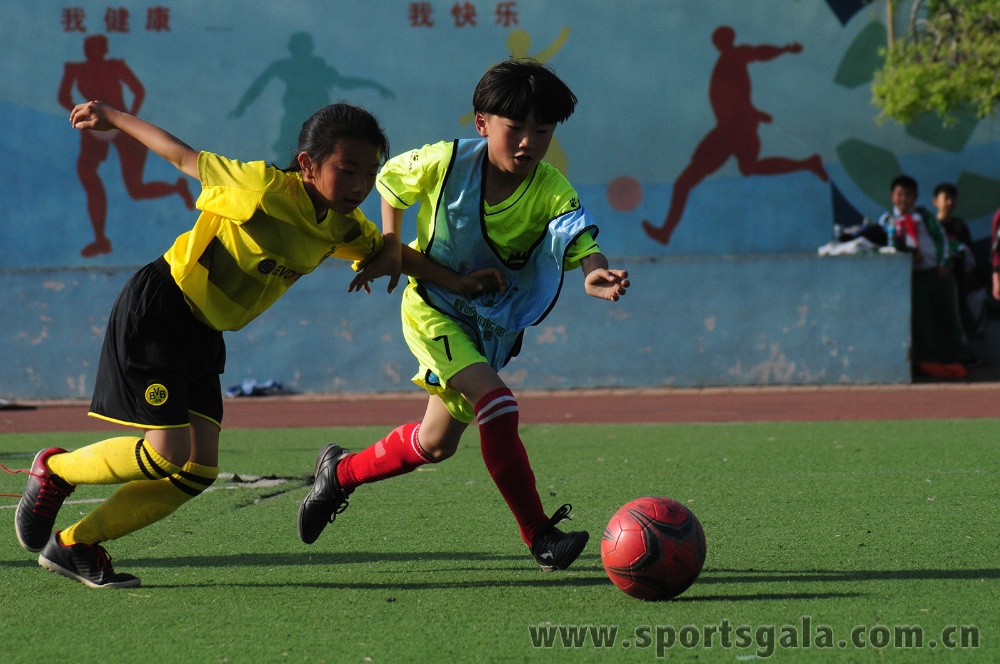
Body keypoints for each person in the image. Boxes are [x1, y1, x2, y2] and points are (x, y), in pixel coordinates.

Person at [15, 101, 493, 588]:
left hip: (205, 333)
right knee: (166, 454)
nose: (359, 186)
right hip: (160, 310)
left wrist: (458, 282)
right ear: (307, 164)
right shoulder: (260, 187)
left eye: (370, 174)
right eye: (347, 170)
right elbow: (182, 157)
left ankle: (75, 544)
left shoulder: (343, 226)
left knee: (197, 470)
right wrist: (114, 118)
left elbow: (395, 256)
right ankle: (54, 470)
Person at [298, 59, 630, 573]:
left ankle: (339, 475)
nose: (528, 142)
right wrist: (392, 243)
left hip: (489, 326)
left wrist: (594, 272)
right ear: (482, 123)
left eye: (542, 131)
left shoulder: (551, 189)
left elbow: (579, 238)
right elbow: (391, 181)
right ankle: (540, 535)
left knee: (435, 445)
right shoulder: (446, 162)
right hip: (434, 308)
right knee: (497, 402)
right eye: (514, 128)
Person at [641, 26, 828, 245]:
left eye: (717, 39)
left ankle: (666, 231)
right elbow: (738, 95)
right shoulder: (729, 60)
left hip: (730, 131)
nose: (715, 43)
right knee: (748, 167)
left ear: (724, 40)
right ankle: (808, 163)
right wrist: (755, 113)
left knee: (684, 183)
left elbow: (760, 53)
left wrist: (785, 49)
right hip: (737, 127)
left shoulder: (735, 55)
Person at [58, 34, 195, 257]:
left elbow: (138, 91)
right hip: (94, 127)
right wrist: (81, 114)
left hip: (120, 125)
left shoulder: (115, 66)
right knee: (87, 173)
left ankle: (177, 188)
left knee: (135, 189)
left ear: (103, 50)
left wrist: (127, 120)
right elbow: (64, 97)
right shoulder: (75, 70)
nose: (94, 53)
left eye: (97, 48)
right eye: (91, 49)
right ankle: (101, 239)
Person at [878, 175, 972, 378]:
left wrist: (944, 263)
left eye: (908, 195)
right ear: (892, 196)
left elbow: (941, 239)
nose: (903, 199)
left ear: (915, 197)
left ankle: (961, 356)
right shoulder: (887, 220)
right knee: (921, 321)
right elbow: (889, 245)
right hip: (915, 277)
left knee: (950, 317)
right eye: (899, 194)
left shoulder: (925, 216)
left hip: (938, 272)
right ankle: (929, 361)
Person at [932, 182, 984, 338]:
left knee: (958, 315)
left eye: (953, 199)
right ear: (936, 201)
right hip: (936, 279)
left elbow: (968, 254)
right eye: (946, 198)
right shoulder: (931, 226)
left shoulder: (960, 226)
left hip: (958, 280)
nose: (950, 202)